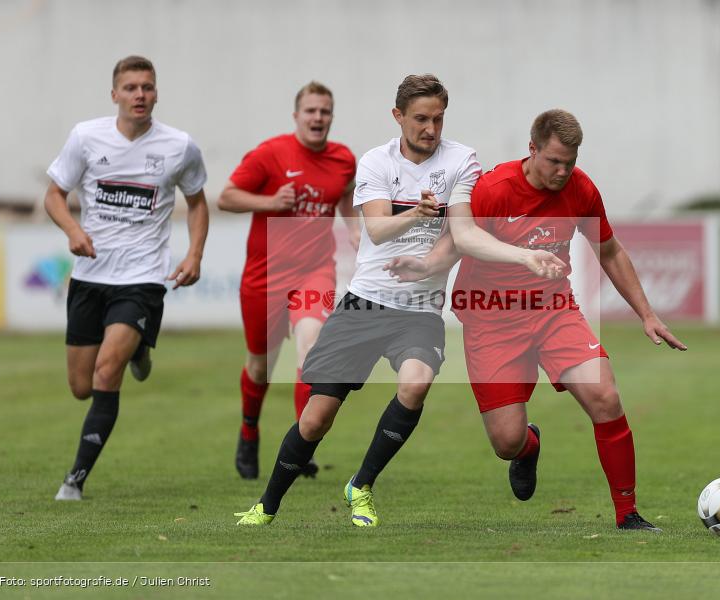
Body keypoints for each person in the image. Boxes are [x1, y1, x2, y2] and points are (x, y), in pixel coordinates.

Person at [234, 74, 562, 527]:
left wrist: (525, 256)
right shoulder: (375, 162)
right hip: (366, 303)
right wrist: (417, 213)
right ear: (399, 117)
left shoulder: (461, 160)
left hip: (419, 310)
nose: (431, 128)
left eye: (439, 119)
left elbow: (464, 234)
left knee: (416, 382)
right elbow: (376, 229)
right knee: (315, 420)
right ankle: (266, 507)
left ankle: (361, 485)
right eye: (421, 119)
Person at [387, 109, 687, 531]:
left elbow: (611, 251)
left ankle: (628, 514)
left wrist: (648, 314)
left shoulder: (581, 190)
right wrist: (422, 268)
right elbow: (455, 240)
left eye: (571, 161)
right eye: (554, 161)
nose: (563, 171)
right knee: (506, 442)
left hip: (552, 311)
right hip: (490, 320)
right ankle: (529, 447)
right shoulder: (492, 188)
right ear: (532, 150)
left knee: (605, 397)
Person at [45, 56, 209, 500]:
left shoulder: (178, 146)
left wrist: (194, 253)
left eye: (148, 87)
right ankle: (141, 354)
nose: (140, 95)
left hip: (142, 278)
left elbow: (197, 201)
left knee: (105, 370)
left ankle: (74, 480)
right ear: (114, 94)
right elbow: (55, 195)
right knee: (81, 387)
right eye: (131, 87)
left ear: (156, 93)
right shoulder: (85, 137)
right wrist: (74, 230)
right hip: (90, 275)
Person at [218, 82, 358, 480]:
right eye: (311, 111)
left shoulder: (343, 159)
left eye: (325, 111)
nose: (318, 118)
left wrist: (353, 228)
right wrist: (268, 203)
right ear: (296, 116)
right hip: (265, 277)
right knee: (261, 368)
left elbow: (344, 193)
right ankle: (249, 430)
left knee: (311, 350)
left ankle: (300, 445)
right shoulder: (270, 154)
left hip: (315, 270)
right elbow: (226, 197)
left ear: (331, 117)